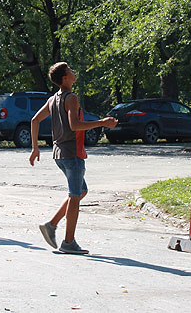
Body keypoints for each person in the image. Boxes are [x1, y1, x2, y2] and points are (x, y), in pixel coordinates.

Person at [29, 62, 118, 254]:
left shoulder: (53, 99)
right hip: (72, 153)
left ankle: (51, 225)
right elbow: (75, 125)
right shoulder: (71, 98)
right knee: (75, 196)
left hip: (59, 154)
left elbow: (35, 120)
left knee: (80, 191)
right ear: (64, 78)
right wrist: (102, 122)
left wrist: (35, 148)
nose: (73, 72)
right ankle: (68, 242)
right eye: (70, 70)